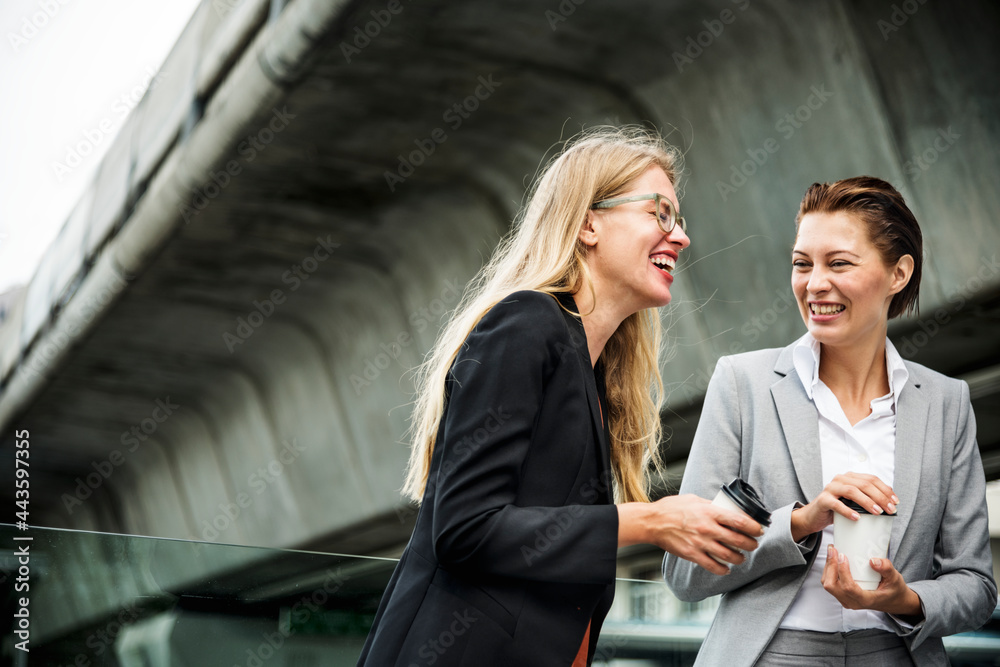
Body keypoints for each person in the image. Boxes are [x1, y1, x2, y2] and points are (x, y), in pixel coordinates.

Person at [357, 126, 765, 667]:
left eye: (679, 219)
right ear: (587, 223)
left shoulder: (590, 374)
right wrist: (648, 521)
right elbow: (463, 530)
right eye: (659, 213)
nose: (681, 236)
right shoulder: (524, 324)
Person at [663, 176, 997, 666]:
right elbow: (685, 571)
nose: (815, 283)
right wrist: (799, 523)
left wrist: (903, 599)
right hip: (770, 654)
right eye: (802, 264)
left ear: (898, 273)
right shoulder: (742, 384)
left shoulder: (947, 402)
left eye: (838, 263)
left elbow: (976, 584)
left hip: (895, 653)